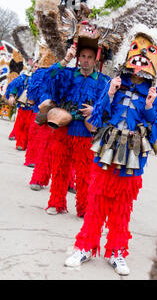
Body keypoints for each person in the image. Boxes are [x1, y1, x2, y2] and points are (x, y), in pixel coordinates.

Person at [64, 27, 157, 276]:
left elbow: (156, 131)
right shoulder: (114, 83)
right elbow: (97, 117)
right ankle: (85, 246)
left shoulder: (154, 93)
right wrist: (109, 94)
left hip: (132, 156)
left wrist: (150, 107)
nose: (140, 62)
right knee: (97, 199)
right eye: (136, 54)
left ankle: (116, 252)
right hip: (107, 149)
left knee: (122, 207)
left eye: (148, 55)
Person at [43, 43, 109, 217]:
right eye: (83, 56)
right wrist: (66, 59)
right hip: (63, 128)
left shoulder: (104, 81)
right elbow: (48, 78)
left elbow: (110, 108)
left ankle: (84, 208)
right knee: (59, 169)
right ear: (78, 58)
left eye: (89, 57)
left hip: (85, 132)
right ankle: (56, 203)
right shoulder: (68, 74)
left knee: (85, 174)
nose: (85, 61)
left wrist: (95, 111)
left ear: (96, 59)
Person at [4, 65, 37, 151]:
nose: (36, 68)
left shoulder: (45, 78)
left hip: (36, 109)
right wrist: (12, 96)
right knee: (21, 125)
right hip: (24, 106)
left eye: (39, 67)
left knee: (32, 127)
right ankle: (21, 143)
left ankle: (29, 146)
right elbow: (15, 86)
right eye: (35, 66)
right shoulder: (25, 76)